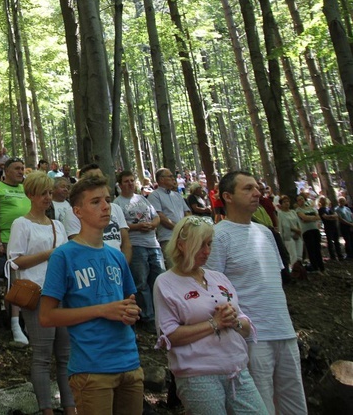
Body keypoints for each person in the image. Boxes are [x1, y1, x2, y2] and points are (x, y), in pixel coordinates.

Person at [206, 171, 307, 414]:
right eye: (248, 189)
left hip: (284, 331)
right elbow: (211, 291)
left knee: (295, 407)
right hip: (251, 338)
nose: (257, 193)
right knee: (260, 408)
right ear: (228, 196)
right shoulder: (218, 236)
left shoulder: (265, 233)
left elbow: (273, 282)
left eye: (257, 188)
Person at [40, 175, 143, 414]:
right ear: (78, 211)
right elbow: (46, 317)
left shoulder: (116, 255)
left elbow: (130, 301)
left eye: (107, 200)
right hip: (92, 369)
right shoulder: (64, 256)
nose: (106, 206)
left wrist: (131, 312)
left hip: (130, 364)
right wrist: (102, 310)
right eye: (95, 202)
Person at [153, 216, 265, 414]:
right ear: (181, 245)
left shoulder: (218, 278)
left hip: (237, 370)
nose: (207, 251)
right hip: (198, 375)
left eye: (209, 244)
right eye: (200, 245)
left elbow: (246, 327)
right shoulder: (166, 282)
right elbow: (169, 336)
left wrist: (234, 321)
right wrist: (215, 323)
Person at [6, 172, 75, 415]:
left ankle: (70, 408)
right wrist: (49, 254)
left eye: (49, 192)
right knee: (43, 357)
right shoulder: (21, 224)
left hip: (62, 296)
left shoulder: (58, 225)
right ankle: (46, 409)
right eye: (42, 193)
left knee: (66, 357)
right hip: (37, 297)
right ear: (30, 195)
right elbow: (15, 261)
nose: (48, 197)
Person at [0, 156, 31, 344]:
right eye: (16, 168)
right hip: (8, 241)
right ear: (5, 171)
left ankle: (29, 321)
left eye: (22, 168)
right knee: (15, 281)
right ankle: (15, 323)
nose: (21, 171)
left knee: (31, 280)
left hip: (31, 241)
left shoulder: (26, 189)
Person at [114, 170, 163, 334]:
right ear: (120, 185)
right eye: (126, 181)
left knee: (158, 279)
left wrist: (153, 225)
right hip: (135, 245)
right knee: (141, 283)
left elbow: (156, 216)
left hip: (153, 243)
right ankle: (148, 317)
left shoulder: (142, 199)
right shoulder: (118, 203)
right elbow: (121, 227)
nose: (129, 184)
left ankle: (161, 315)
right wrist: (137, 227)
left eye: (132, 181)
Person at [63, 164, 132, 262]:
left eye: (100, 176)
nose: (106, 207)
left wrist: (122, 267)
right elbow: (78, 247)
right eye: (95, 202)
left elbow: (126, 243)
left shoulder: (115, 208)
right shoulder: (72, 213)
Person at [149, 168, 191, 253]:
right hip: (168, 238)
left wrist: (187, 228)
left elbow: (187, 212)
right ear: (161, 179)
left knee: (188, 264)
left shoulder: (177, 195)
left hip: (184, 237)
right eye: (170, 176)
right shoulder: (154, 195)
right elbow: (160, 216)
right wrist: (178, 229)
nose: (173, 178)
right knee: (173, 265)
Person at [296, 194, 323, 272]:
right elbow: (303, 218)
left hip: (315, 229)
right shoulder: (298, 210)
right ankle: (315, 267)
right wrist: (312, 218)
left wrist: (308, 218)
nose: (301, 201)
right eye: (299, 200)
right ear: (297, 202)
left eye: (302, 199)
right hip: (306, 231)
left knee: (317, 248)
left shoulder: (311, 208)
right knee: (311, 249)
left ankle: (321, 267)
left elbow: (318, 217)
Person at [277, 195, 303, 269]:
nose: (287, 203)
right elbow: (283, 226)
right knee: (293, 255)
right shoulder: (280, 213)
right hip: (288, 236)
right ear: (281, 204)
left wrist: (298, 232)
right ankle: (294, 271)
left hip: (297, 235)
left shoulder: (293, 212)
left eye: (288, 201)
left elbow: (298, 223)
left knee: (299, 255)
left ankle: (300, 271)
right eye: (284, 202)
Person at [318, 196, 344, 260]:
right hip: (328, 227)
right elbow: (325, 217)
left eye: (324, 199)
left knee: (336, 241)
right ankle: (333, 256)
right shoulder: (321, 209)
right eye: (322, 200)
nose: (323, 201)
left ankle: (340, 255)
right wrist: (332, 217)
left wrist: (330, 216)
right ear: (320, 202)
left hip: (334, 226)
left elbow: (336, 215)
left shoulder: (329, 208)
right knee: (330, 241)